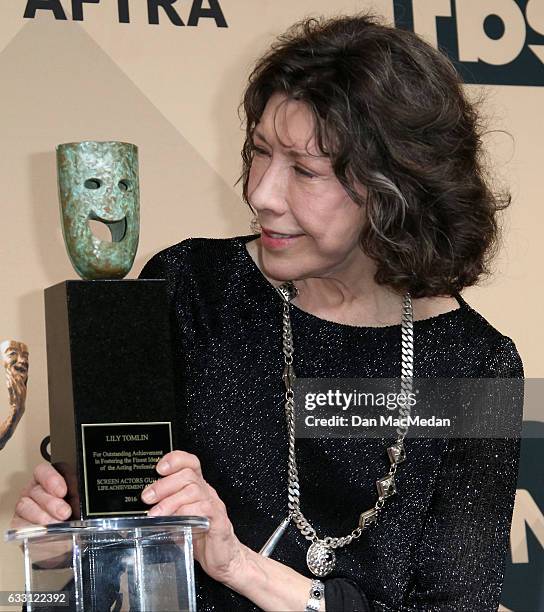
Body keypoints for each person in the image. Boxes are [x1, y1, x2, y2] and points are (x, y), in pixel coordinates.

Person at [11, 13, 524, 612]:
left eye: (304, 171)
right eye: (259, 152)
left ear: (396, 189)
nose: (261, 193)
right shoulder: (192, 288)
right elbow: (122, 547)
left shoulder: (472, 367)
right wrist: (72, 537)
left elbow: (453, 605)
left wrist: (238, 566)